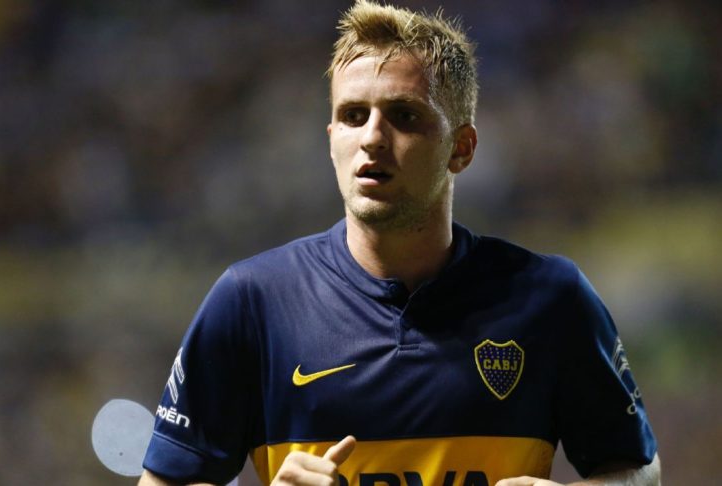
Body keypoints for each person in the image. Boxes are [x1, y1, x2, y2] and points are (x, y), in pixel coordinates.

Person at [139, 1, 660, 485]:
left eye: (404, 116)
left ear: (461, 148)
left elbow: (638, 469)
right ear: (331, 141)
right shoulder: (251, 300)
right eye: (352, 116)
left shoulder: (550, 297)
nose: (371, 137)